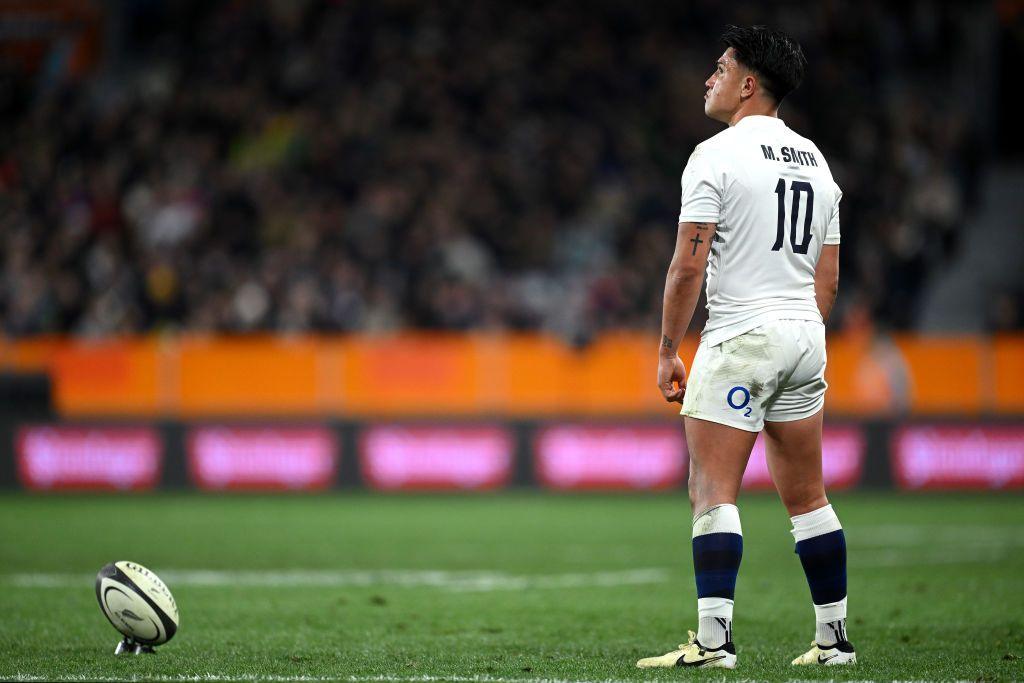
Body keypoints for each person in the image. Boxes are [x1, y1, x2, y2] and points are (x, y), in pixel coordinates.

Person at [636, 25, 855, 669]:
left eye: (722, 66)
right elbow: (830, 275)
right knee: (808, 495)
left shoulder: (715, 156)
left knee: (712, 489)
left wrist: (669, 348)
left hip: (740, 335)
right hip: (803, 337)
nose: (711, 77)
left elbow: (685, 266)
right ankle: (833, 640)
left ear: (748, 84)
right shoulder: (817, 163)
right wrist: (802, 334)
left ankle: (713, 642)